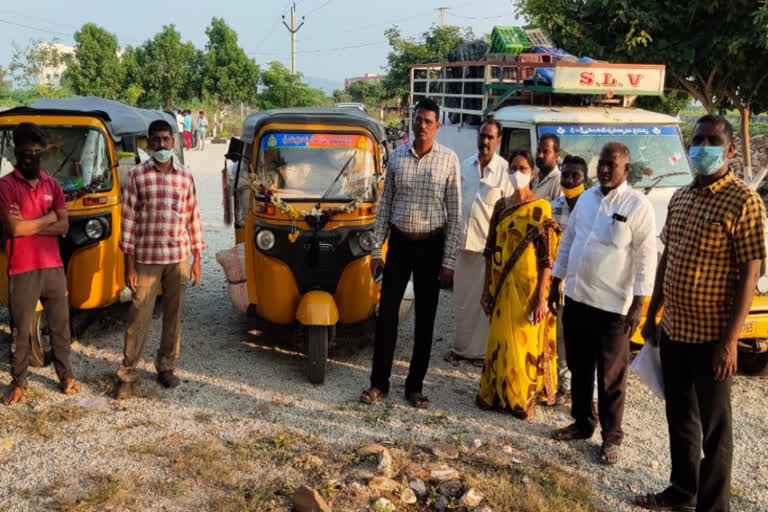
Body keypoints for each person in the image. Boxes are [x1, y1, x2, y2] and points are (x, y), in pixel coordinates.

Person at [634, 116, 765, 512]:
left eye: (712, 141)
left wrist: (730, 342)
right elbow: (667, 257)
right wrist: (653, 312)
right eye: (697, 140)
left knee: (715, 430)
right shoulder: (681, 197)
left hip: (712, 339)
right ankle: (681, 490)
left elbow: (750, 274)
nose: (702, 147)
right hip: (675, 331)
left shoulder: (745, 202)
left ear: (729, 150)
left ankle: (713, 506)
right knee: (681, 418)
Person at [549, 142, 656, 465]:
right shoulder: (586, 199)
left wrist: (639, 303)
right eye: (603, 163)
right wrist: (556, 281)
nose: (605, 169)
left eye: (612, 164)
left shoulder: (639, 206)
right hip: (578, 298)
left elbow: (645, 257)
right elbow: (569, 241)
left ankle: (612, 438)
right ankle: (583, 423)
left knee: (611, 377)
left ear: (626, 169)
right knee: (581, 369)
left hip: (614, 308)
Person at [360, 98, 460, 409]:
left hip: (432, 246)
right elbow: (384, 206)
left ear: (437, 126)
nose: (422, 125)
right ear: (412, 121)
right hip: (400, 244)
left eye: (429, 121)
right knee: (387, 315)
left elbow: (455, 214)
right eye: (418, 119)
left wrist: (449, 261)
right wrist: (376, 249)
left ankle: (414, 387)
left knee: (425, 320)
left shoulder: (449, 160)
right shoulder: (398, 158)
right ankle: (379, 383)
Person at [115, 119, 205, 400]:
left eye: (167, 139)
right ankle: (128, 373)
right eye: (156, 140)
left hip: (177, 257)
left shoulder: (185, 176)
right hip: (147, 258)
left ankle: (165, 366)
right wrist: (128, 265)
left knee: (173, 315)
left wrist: (197, 258)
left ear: (174, 142)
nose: (162, 145)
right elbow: (127, 220)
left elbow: (193, 217)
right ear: (149, 143)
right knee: (138, 315)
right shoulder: (138, 176)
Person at [475, 150, 561, 418]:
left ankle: (520, 398)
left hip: (528, 289)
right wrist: (486, 287)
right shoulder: (501, 206)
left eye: (523, 168)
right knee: (499, 340)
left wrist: (541, 296)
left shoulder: (541, 209)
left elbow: (547, 259)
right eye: (513, 168)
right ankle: (497, 393)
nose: (517, 173)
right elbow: (489, 250)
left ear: (532, 174)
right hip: (500, 287)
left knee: (523, 342)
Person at [0, 123, 79, 405]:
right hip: (22, 269)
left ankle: (66, 376)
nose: (32, 156)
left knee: (60, 326)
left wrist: (31, 223)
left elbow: (63, 227)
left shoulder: (52, 184)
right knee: (21, 328)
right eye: (26, 152)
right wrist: (48, 219)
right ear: (16, 152)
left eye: (36, 151)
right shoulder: (6, 186)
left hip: (53, 266)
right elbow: (14, 231)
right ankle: (19, 382)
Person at [445, 119, 511, 366]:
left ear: (498, 141)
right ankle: (460, 348)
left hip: (488, 247)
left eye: (490, 137)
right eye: (482, 136)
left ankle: (481, 354)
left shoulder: (505, 171)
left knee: (483, 302)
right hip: (463, 243)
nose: (485, 141)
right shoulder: (465, 166)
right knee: (462, 300)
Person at [548, 155, 589, 402]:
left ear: (585, 180)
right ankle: (564, 386)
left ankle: (588, 392)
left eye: (575, 176)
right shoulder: (553, 208)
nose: (569, 180)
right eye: (566, 175)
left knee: (584, 341)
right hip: (559, 283)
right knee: (561, 335)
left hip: (584, 285)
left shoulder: (593, 208)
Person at [532, 133, 563, 200]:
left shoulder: (559, 181)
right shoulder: (534, 176)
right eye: (538, 150)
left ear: (556, 155)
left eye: (545, 152)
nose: (540, 155)